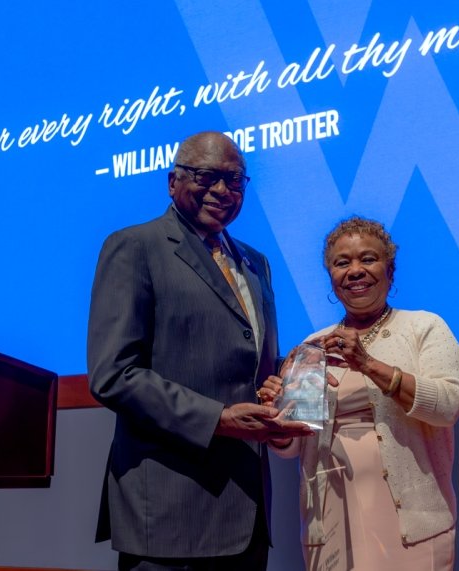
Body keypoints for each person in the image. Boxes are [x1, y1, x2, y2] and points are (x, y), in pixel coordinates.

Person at [87, 131, 313, 571]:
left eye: (235, 181)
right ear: (173, 182)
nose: (222, 191)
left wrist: (293, 384)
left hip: (246, 510)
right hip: (171, 512)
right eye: (207, 177)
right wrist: (218, 420)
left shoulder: (255, 261)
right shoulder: (135, 246)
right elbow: (113, 374)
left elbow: (255, 361)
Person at [259, 216, 459, 570]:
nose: (355, 271)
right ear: (332, 277)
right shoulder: (312, 346)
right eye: (343, 263)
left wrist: (368, 364)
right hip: (332, 518)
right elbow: (293, 445)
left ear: (390, 269)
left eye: (368, 259)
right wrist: (276, 415)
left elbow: (446, 407)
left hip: (411, 522)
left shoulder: (424, 327)